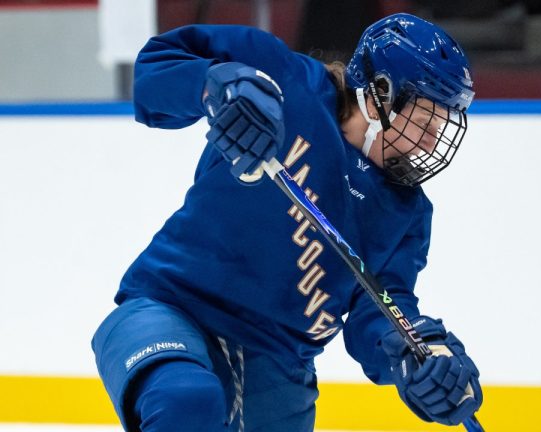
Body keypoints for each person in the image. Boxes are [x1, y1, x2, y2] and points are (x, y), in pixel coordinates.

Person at [92, 13, 482, 432]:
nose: (429, 141)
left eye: (439, 128)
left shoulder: (407, 213)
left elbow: (380, 311)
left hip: (278, 365)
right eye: (423, 123)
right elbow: (155, 69)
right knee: (185, 400)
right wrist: (213, 85)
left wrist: (417, 355)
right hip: (171, 308)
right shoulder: (285, 81)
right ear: (379, 94)